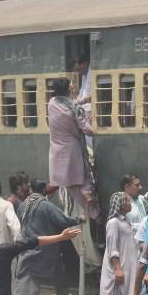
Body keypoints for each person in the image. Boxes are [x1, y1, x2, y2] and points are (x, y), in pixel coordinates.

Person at [15, 179, 83, 295]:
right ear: (44, 190)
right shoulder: (46, 206)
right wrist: (78, 219)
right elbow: (63, 220)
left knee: (35, 273)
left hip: (28, 245)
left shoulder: (23, 205)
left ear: (31, 190)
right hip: (47, 247)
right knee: (41, 274)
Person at [47, 78, 98, 220]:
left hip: (57, 154)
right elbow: (88, 129)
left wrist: (84, 100)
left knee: (71, 186)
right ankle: (95, 213)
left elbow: (67, 104)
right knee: (81, 182)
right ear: (69, 89)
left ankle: (89, 206)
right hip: (73, 152)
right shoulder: (76, 110)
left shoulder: (51, 104)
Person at [92, 192, 133, 295]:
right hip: (116, 268)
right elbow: (112, 248)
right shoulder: (113, 223)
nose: (130, 203)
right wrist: (118, 269)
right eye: (127, 200)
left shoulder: (125, 222)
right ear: (121, 203)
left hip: (126, 268)